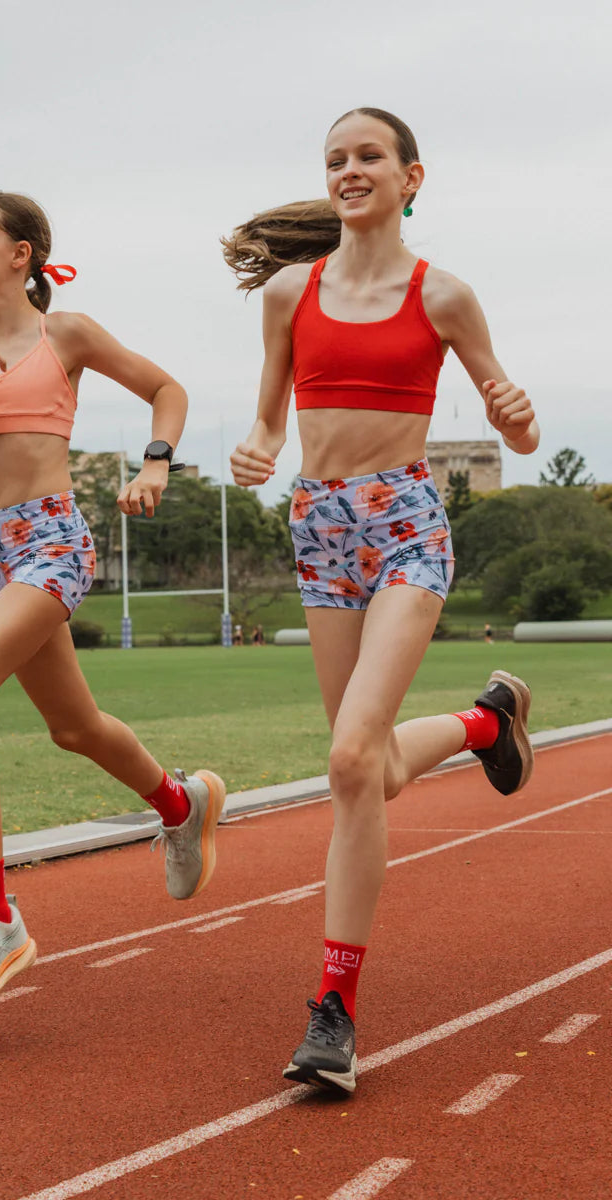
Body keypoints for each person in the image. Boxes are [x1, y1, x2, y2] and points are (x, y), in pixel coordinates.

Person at [224, 108, 539, 1095]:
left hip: (406, 523)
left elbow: (514, 429)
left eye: (369, 157)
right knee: (368, 774)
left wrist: (517, 418)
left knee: (352, 757)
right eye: (335, 160)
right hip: (319, 528)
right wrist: (259, 449)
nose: (350, 170)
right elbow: (271, 416)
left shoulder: (444, 295)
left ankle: (335, 1011)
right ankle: (486, 723)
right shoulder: (287, 293)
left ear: (412, 177)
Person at [0, 190, 225, 998]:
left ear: (20, 253)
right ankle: (181, 803)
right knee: (73, 727)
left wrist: (155, 463)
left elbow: (165, 388)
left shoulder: (61, 333)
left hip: (51, 539)